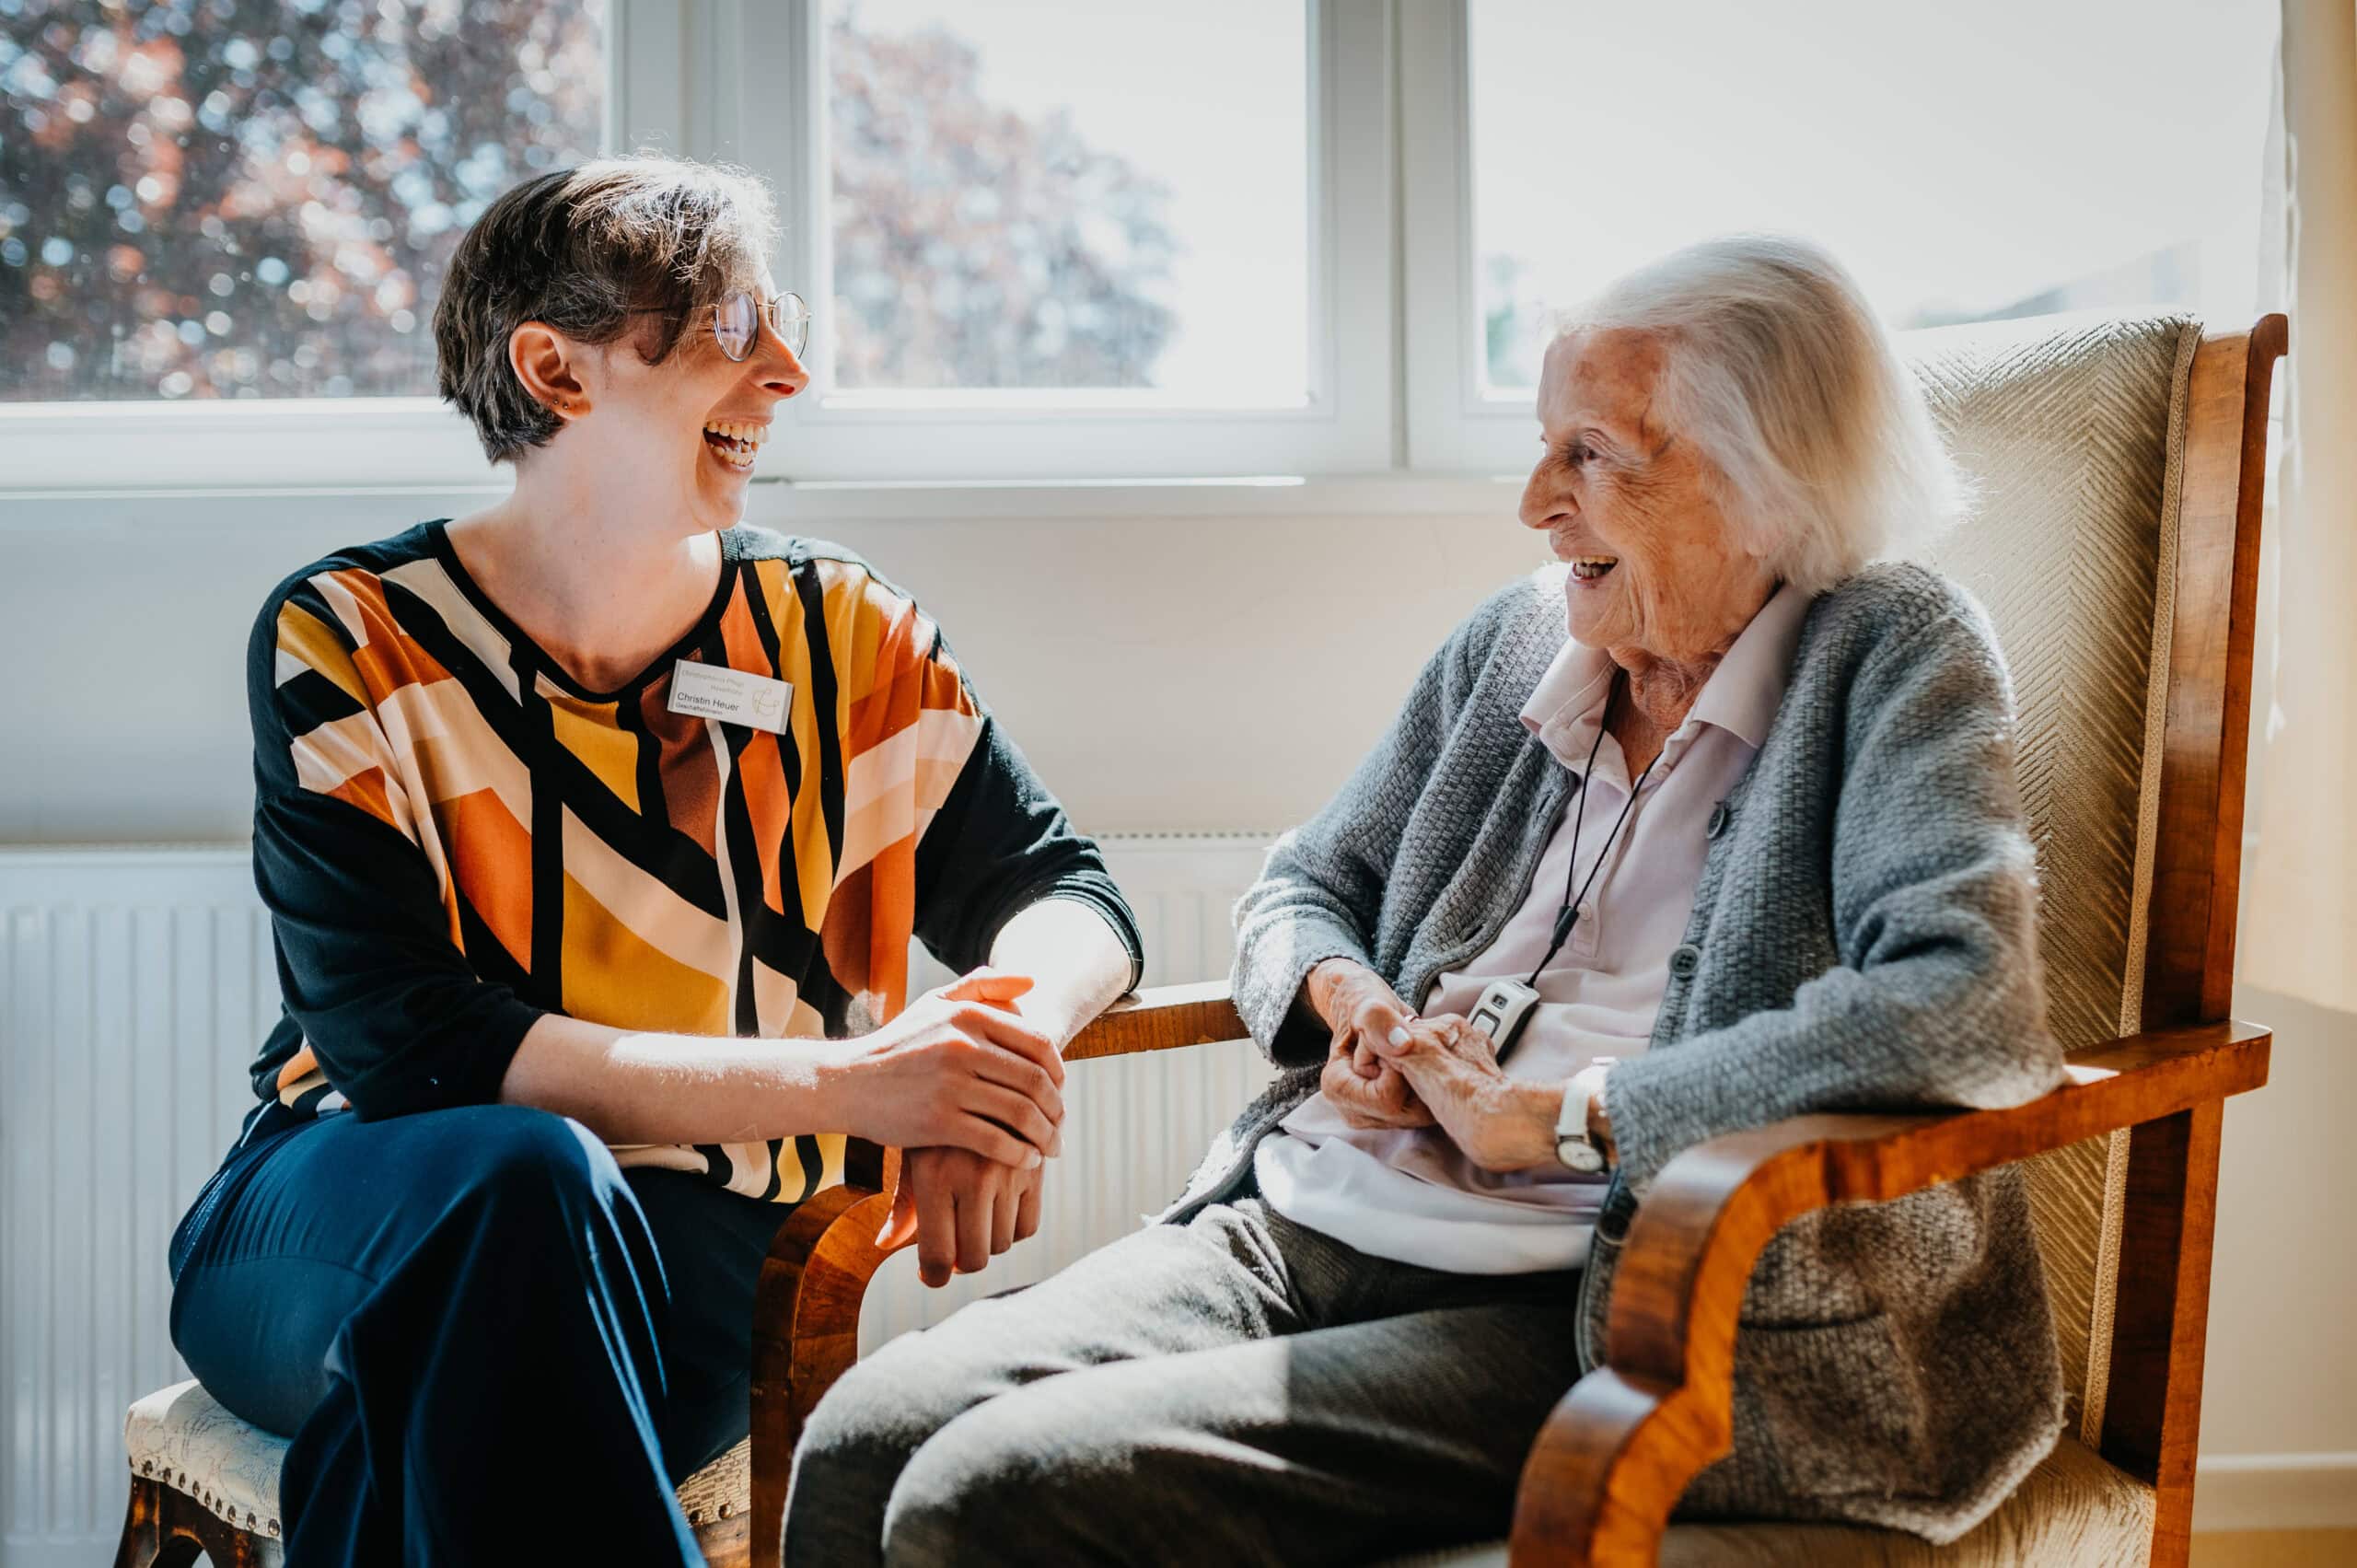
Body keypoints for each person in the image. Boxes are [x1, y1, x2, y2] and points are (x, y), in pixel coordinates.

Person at [787, 235, 2068, 1565]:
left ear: (1763, 483)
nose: (1535, 502)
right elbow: (1304, 883)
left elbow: (1958, 1001)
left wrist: (1568, 1124)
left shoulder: (1891, 652)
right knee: (864, 1437)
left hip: (1605, 1301)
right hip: (1311, 1216)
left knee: (989, 1497)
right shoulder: (1521, 636)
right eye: (1542, 444)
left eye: (1592, 454)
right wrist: (1351, 1002)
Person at [163, 155, 1142, 1565]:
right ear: (556, 370)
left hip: (700, 1232)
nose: (790, 371)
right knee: (523, 1182)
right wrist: (862, 1090)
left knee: (443, 1414)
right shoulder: (352, 638)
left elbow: (1066, 896)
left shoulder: (843, 635)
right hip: (346, 1211)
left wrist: (999, 1049)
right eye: (735, 330)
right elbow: (410, 1047)